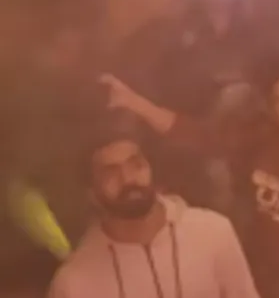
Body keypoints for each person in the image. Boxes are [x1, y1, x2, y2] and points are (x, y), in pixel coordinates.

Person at [101, 64, 279, 298]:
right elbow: (193, 134)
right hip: (265, 284)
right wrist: (134, 102)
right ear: (271, 108)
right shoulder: (258, 141)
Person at [47, 127, 259, 298]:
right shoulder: (74, 281)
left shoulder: (213, 232)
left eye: (136, 165)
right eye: (111, 173)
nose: (128, 179)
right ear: (92, 193)